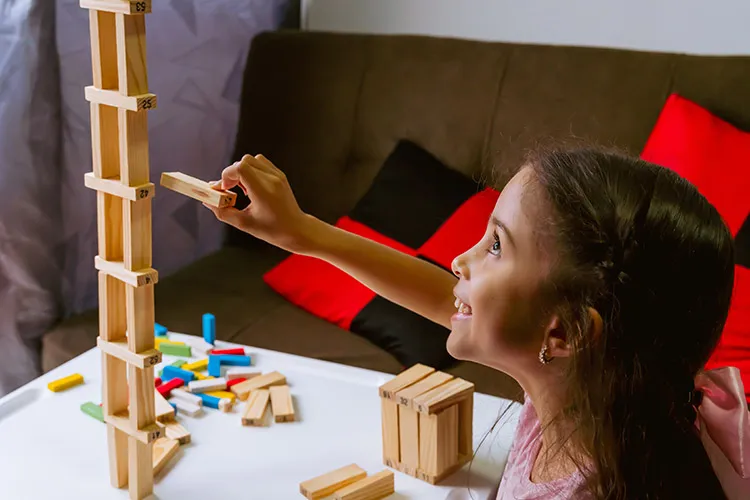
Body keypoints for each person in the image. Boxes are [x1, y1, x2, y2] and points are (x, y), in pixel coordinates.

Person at [205, 148, 750, 499]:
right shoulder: (600, 393)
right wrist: (305, 234)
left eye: (495, 245)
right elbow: (451, 296)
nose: (460, 262)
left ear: (564, 334)